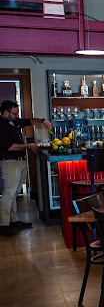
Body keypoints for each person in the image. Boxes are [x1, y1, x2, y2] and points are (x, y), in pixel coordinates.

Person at [0, 101, 52, 236]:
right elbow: (10, 147)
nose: (17, 116)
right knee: (9, 194)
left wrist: (43, 121)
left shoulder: (14, 122)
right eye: (14, 113)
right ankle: (3, 225)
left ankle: (14, 220)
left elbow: (29, 121)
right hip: (10, 162)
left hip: (20, 161)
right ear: (5, 113)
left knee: (15, 193)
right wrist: (29, 146)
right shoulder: (1, 126)